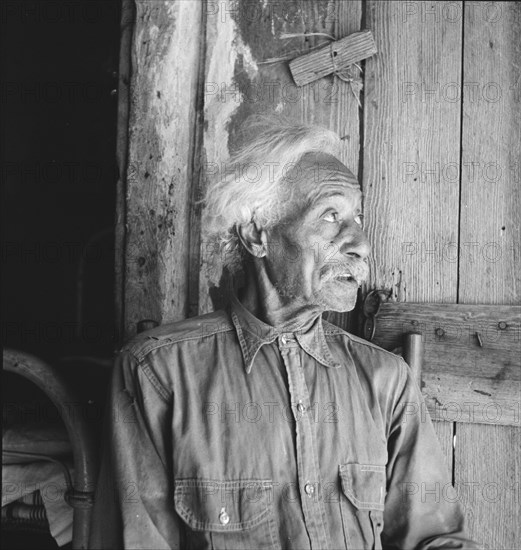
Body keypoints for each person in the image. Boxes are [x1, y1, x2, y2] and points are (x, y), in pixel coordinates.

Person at [90, 120, 480, 549]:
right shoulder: (157, 372)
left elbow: (436, 539)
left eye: (357, 217)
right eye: (331, 216)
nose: (361, 244)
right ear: (257, 234)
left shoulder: (387, 380)